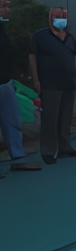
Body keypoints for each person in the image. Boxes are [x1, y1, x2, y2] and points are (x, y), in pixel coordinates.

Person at [28, 7, 76, 165]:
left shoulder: (69, 38)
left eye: (62, 16)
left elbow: (75, 59)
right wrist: (36, 80)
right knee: (50, 119)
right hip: (50, 84)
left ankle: (64, 147)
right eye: (56, 16)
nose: (59, 18)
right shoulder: (39, 36)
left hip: (69, 83)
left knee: (65, 118)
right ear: (49, 18)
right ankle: (48, 151)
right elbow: (32, 57)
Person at [0, 22, 40, 172]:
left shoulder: (1, 28)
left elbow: (7, 52)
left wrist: (15, 74)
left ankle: (18, 156)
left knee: (12, 120)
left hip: (5, 82)